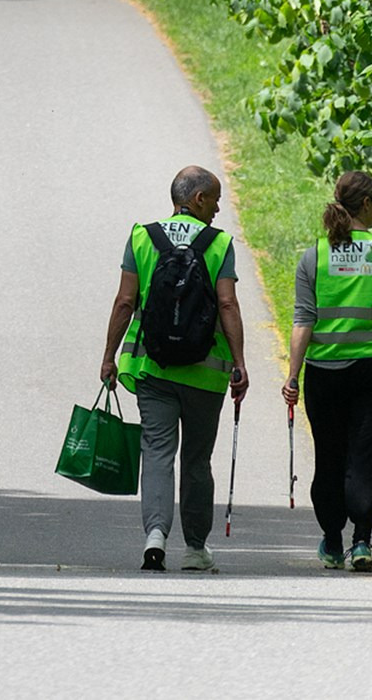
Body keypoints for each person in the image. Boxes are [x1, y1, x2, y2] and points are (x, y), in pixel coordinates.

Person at [100, 166, 248, 572]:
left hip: (154, 367)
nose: (217, 209)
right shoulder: (219, 243)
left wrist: (109, 356)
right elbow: (227, 304)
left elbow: (125, 301)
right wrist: (238, 363)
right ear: (198, 198)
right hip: (206, 373)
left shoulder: (142, 237)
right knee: (197, 460)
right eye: (214, 200)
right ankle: (196, 549)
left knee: (157, 452)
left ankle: (155, 536)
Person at [280, 171, 372, 573]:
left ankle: (332, 540)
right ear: (366, 204)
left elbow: (303, 319)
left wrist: (292, 375)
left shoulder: (314, 256)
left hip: (324, 373)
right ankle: (361, 540)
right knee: (369, 455)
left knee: (329, 454)